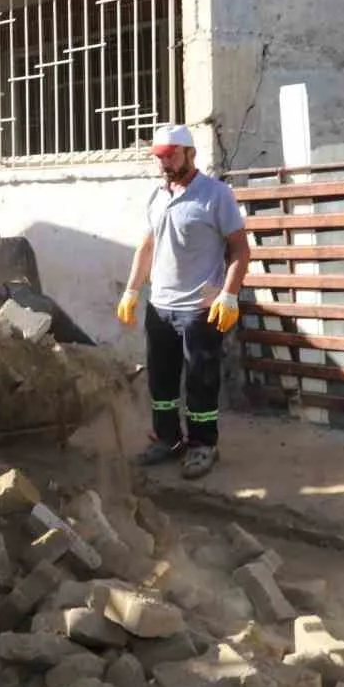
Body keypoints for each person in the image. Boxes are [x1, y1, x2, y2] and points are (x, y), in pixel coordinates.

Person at [116, 125, 251, 480]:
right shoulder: (156, 196)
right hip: (160, 306)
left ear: (189, 153)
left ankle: (202, 445)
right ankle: (167, 439)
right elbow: (147, 246)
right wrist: (132, 290)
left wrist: (230, 294)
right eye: (158, 156)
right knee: (161, 381)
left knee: (200, 380)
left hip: (199, 308)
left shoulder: (215, 194)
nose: (163, 162)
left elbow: (239, 248)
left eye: (170, 155)